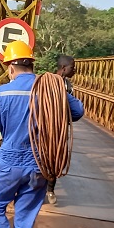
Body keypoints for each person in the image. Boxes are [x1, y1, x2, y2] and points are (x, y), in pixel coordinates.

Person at [0, 41, 84, 228]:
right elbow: (78, 112)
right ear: (31, 64)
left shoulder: (2, 92)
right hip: (40, 164)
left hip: (9, 161)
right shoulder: (52, 89)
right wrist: (58, 99)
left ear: (10, 67)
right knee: (25, 215)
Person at [46, 55, 77, 204]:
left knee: (56, 158)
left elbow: (75, 109)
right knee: (42, 157)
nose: (75, 71)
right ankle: (40, 189)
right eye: (73, 67)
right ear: (64, 68)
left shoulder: (68, 86)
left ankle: (50, 189)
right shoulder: (47, 81)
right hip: (46, 128)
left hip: (61, 128)